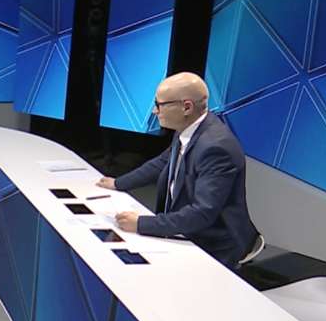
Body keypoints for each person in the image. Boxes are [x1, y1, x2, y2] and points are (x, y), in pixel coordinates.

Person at [96, 72, 261, 268]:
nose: (154, 111)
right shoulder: (189, 128)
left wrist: (141, 224)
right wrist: (118, 183)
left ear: (186, 107)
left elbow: (202, 213)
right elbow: (162, 162)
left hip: (214, 246)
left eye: (159, 105)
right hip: (186, 228)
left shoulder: (216, 148)